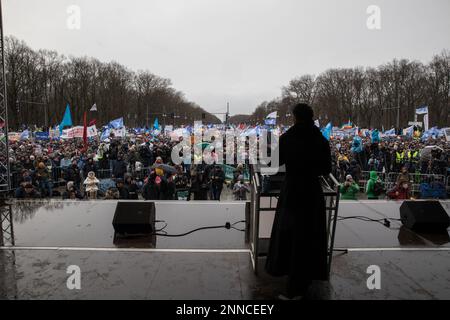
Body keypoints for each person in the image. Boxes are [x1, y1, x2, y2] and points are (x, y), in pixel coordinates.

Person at [265, 103, 331, 300]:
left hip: (293, 191)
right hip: (312, 192)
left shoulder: (288, 138)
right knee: (310, 236)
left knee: (292, 238)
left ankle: (293, 289)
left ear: (295, 117)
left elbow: (274, 164)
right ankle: (307, 281)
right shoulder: (320, 139)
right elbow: (326, 169)